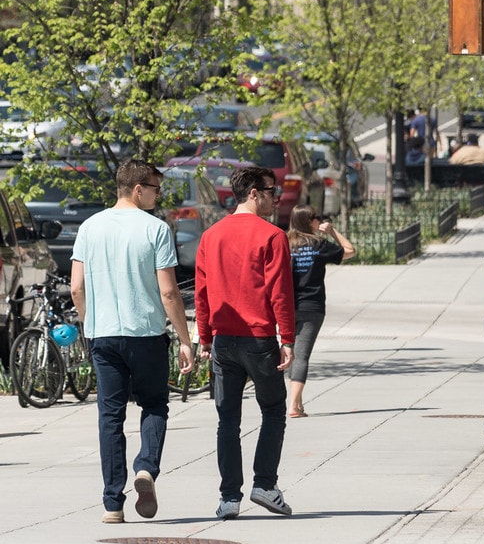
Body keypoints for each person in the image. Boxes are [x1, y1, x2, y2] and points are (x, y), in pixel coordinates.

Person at [70, 159, 193, 525]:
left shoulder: (89, 228)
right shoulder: (155, 229)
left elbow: (76, 287)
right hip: (146, 334)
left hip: (103, 335)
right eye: (155, 188)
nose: (159, 194)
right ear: (138, 189)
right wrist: (185, 340)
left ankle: (112, 503)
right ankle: (146, 468)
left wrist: (90, 322)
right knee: (154, 405)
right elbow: (169, 292)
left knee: (110, 416)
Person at [195, 165, 295, 521]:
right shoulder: (271, 235)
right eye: (271, 191)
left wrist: (204, 336)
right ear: (253, 192)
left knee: (227, 421)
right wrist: (288, 338)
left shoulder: (211, 236)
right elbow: (280, 292)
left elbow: (202, 293)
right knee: (273, 410)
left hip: (224, 340)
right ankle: (265, 485)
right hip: (259, 337)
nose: (275, 198)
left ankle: (229, 497)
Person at [287, 206, 355, 417]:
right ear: (309, 222)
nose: (319, 221)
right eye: (316, 218)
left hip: (288, 306)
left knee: (292, 353)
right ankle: (294, 405)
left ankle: (297, 404)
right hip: (312, 307)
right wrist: (332, 231)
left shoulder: (286, 244)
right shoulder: (318, 244)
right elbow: (350, 251)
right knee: (301, 355)